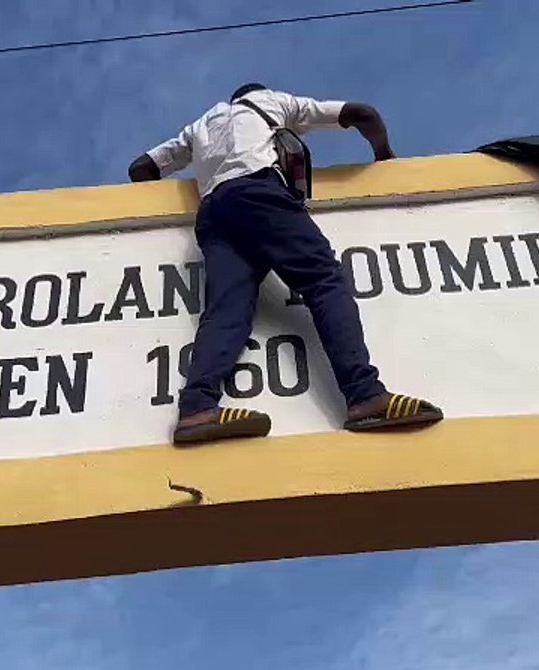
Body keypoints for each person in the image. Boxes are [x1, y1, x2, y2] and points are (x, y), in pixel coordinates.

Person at [128, 83, 442, 445]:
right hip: (260, 194)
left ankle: (197, 409)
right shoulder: (271, 102)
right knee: (324, 281)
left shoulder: (201, 125)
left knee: (226, 311)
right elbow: (362, 114)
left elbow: (142, 168)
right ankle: (365, 395)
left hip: (213, 212)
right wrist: (385, 156)